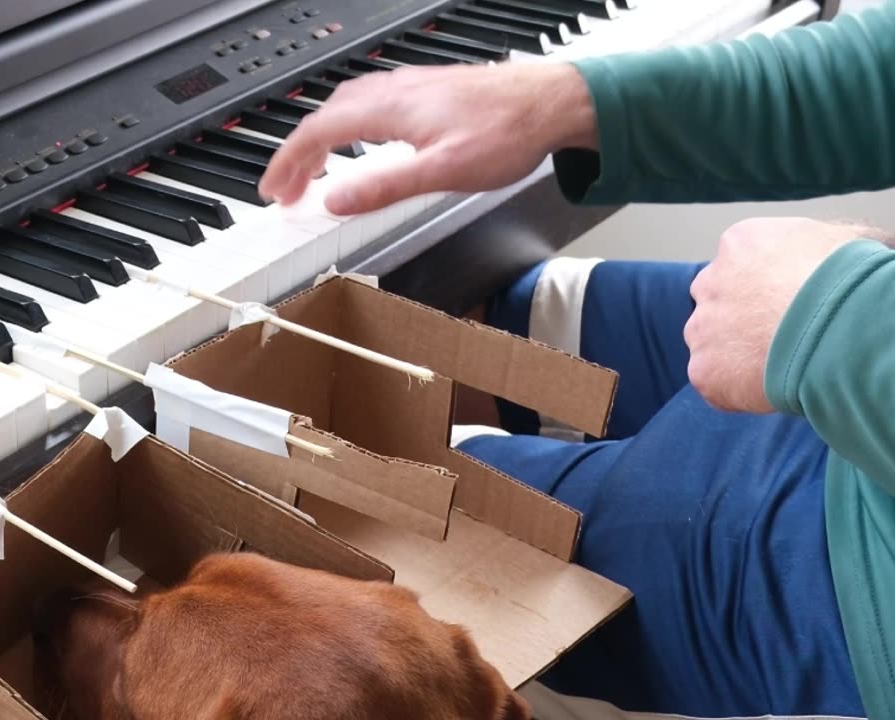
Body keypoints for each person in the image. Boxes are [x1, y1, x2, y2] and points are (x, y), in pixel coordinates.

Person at [259, 4, 895, 720]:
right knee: (474, 325)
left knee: (348, 494)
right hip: (867, 320)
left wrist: (833, 322)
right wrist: (568, 100)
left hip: (848, 562)